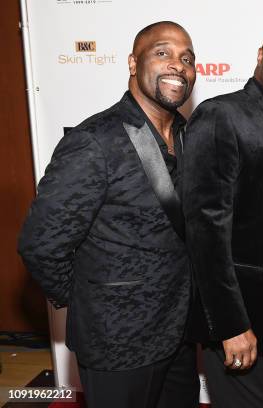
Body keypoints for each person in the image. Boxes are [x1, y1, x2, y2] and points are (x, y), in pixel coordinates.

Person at [18, 21, 199, 408]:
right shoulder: (95, 141)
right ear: (134, 63)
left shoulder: (190, 134)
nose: (177, 65)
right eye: (163, 53)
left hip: (179, 333)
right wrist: (93, 301)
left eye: (187, 58)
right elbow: (41, 244)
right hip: (118, 344)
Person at [182, 22, 263, 408]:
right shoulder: (221, 115)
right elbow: (205, 232)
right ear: (261, 56)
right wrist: (231, 325)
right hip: (243, 327)